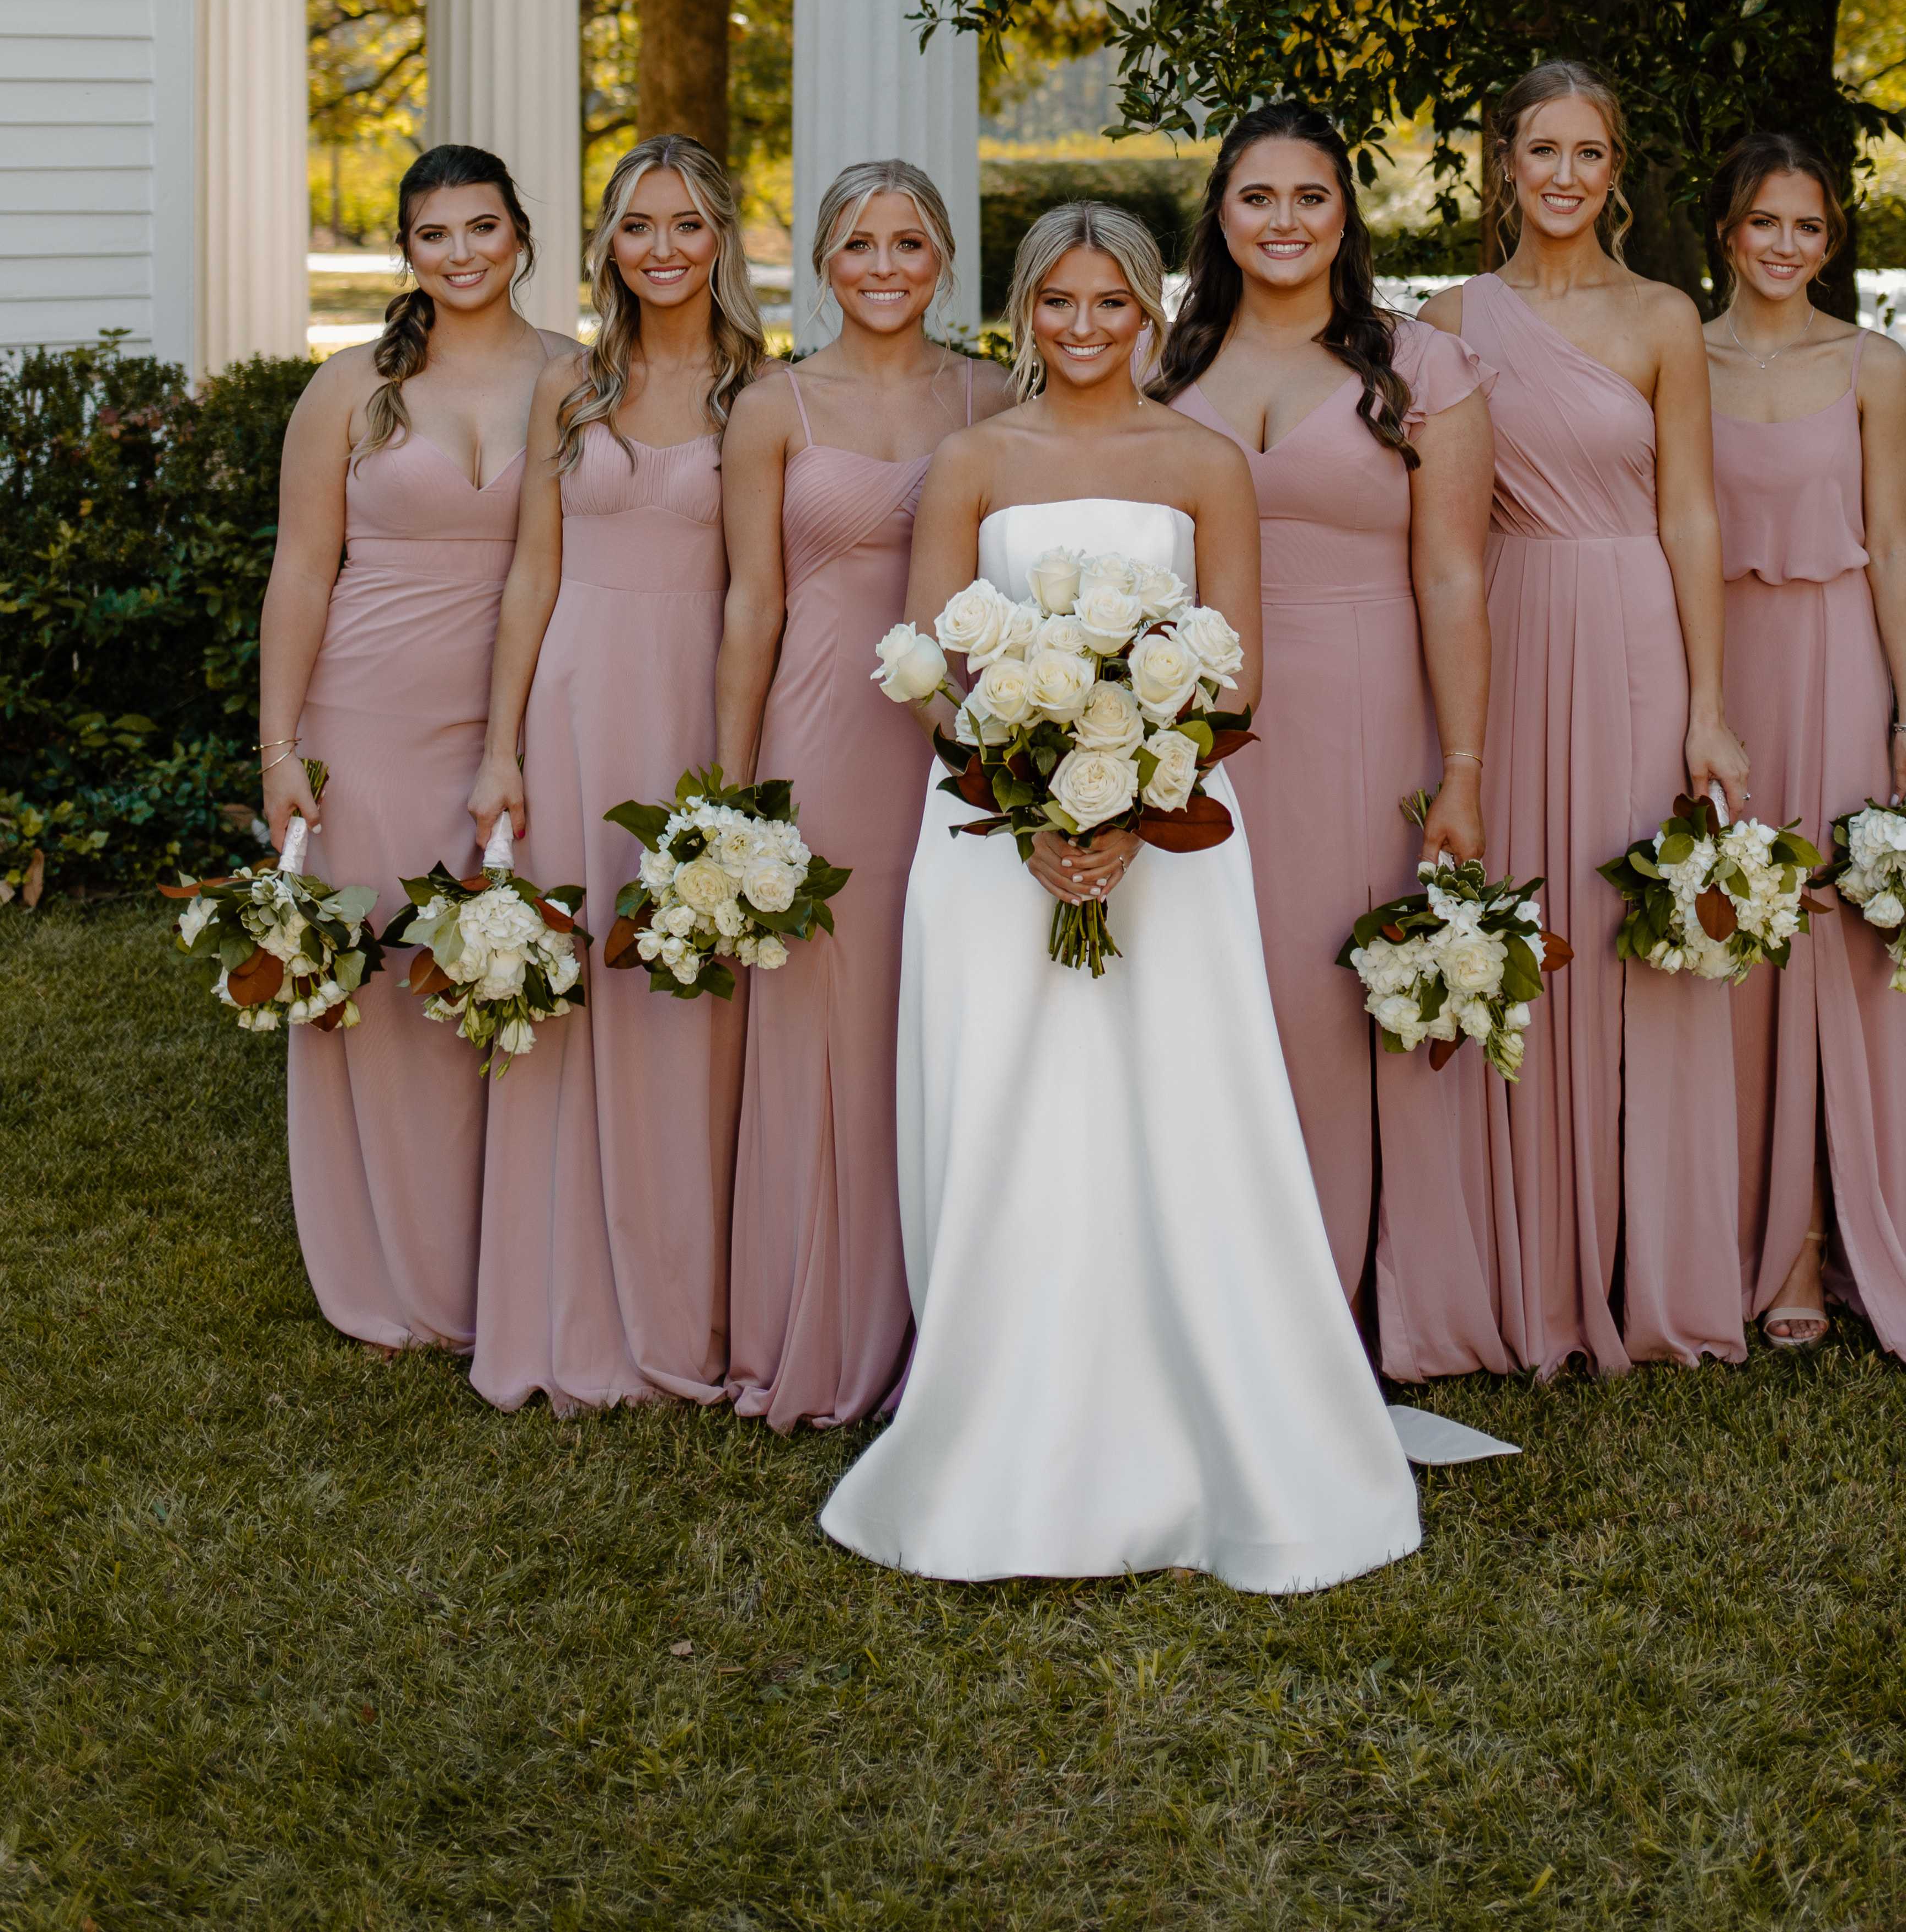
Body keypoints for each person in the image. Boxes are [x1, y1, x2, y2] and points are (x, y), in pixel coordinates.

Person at [820, 203, 1425, 1592]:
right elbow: (928, 664)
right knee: (1011, 1109)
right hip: (990, 833)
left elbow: (1235, 671)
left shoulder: (1204, 463)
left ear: (1149, 312)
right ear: (1022, 313)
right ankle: (995, 1419)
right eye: (1057, 303)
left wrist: (1133, 802)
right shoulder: (972, 460)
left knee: (1174, 1110)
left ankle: (1202, 1415)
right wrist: (1029, 798)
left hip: (1171, 839)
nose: (1083, 328)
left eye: (1110, 304)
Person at [1154, 102, 1505, 1376]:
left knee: (1332, 992)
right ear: (1219, 215)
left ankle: (1353, 1299)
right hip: (1193, 725)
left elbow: (1453, 578)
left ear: (1345, 214)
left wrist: (1459, 770)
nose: (1284, 221)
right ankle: (1209, 1294)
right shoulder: (1162, 368)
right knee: (1214, 993)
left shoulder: (1417, 368)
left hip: (1361, 714)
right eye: (1257, 197)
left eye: (1309, 196)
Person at [1423, 61, 1752, 1376]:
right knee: (1516, 926)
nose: (1563, 175)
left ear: (1616, 173)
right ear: (1503, 162)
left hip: (1630, 636)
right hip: (1506, 624)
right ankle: (1523, 1263)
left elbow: (1692, 514)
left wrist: (1707, 707)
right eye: (1541, 150)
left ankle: (1656, 1269)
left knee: (1636, 933)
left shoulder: (1663, 316)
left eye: (1588, 153)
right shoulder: (1448, 319)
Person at [257, 146, 574, 1353]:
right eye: (434, 234)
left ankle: (513, 1259)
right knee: (386, 982)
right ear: (407, 251)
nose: (461, 253)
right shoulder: (350, 387)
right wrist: (280, 747)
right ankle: (394, 1265)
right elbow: (302, 571)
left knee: (508, 976)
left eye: (482, 227)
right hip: (371, 716)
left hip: (521, 717)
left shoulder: (576, 376)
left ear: (519, 235)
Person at [467, 134, 765, 1413]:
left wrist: (735, 773)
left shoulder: (762, 394)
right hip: (575, 697)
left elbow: (759, 589)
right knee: (572, 979)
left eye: (686, 224)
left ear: (721, 241)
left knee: (682, 994)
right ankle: (557, 1305)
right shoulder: (569, 387)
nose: (662, 249)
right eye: (638, 226)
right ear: (605, 245)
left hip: (692, 697)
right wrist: (499, 746)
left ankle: (682, 1301)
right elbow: (530, 571)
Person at [718, 161, 1014, 1432]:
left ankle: (961, 1326)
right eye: (856, 244)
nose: (882, 267)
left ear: (942, 257)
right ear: (822, 264)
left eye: (906, 243)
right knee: (825, 1018)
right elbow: (752, 604)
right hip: (827, 732)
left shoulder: (998, 393)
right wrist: (733, 791)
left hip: (966, 739)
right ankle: (818, 1324)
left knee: (957, 1009)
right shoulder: (772, 406)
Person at [1704, 130, 1906, 1363]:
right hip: (1715, 666)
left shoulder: (1872, 364)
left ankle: (1818, 1242)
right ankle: (1723, 1236)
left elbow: (1891, 544)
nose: (1785, 246)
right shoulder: (1678, 357)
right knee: (1719, 944)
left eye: (1808, 226)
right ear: (1726, 231)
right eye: (1765, 222)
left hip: (1832, 664)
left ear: (1830, 241)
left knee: (1832, 947)